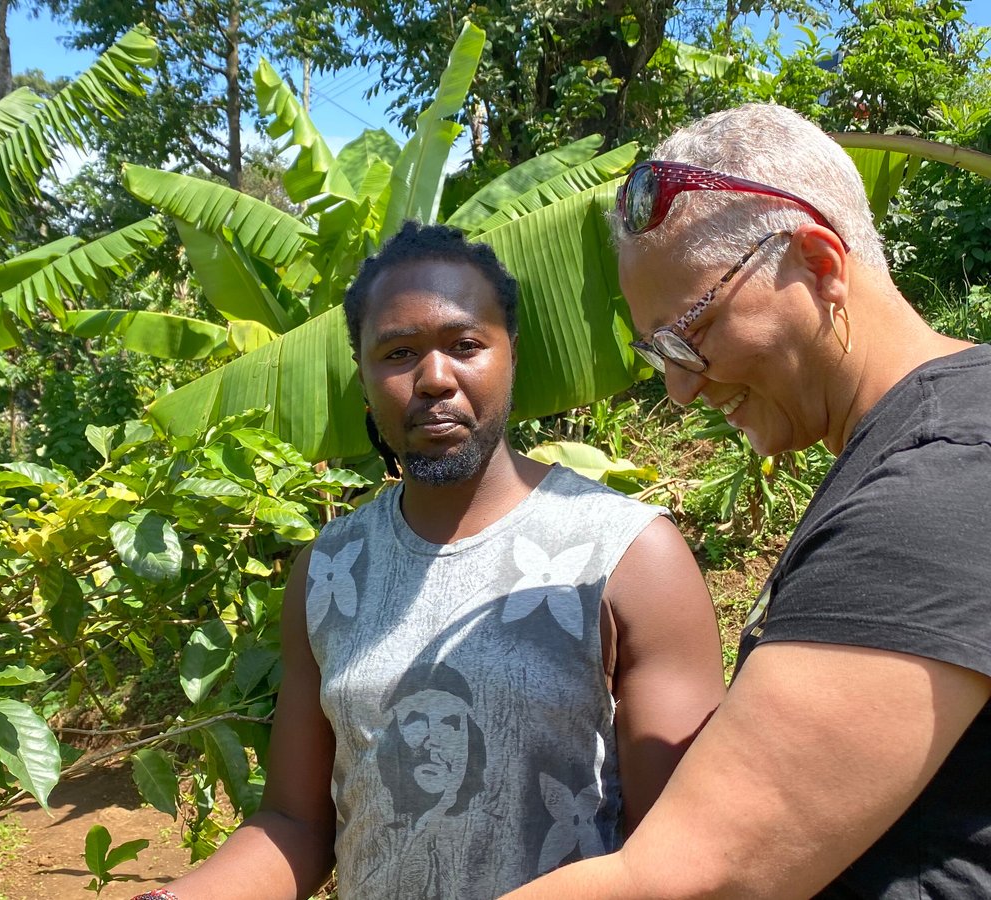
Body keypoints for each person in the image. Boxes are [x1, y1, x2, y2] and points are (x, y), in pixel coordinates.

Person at [131, 222, 724, 899]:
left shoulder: (625, 554)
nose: (435, 378)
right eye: (398, 352)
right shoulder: (328, 573)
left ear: (512, 355)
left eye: (466, 345)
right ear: (363, 375)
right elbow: (296, 823)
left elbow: (684, 849)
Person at [504, 103, 991, 899]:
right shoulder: (917, 446)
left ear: (819, 263)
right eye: (657, 351)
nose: (681, 387)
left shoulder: (941, 484)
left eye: (690, 332)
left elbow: (699, 879)